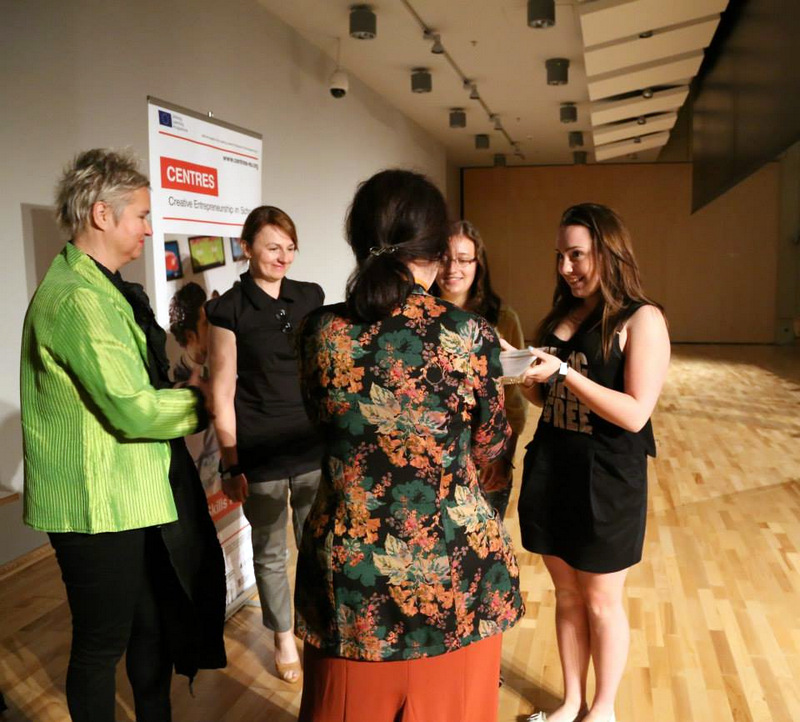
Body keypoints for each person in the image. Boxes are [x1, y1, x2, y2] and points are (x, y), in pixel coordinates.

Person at [294, 169, 525, 722]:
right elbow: (492, 444)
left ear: (357, 240)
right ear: (438, 250)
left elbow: (323, 423)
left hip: (351, 581)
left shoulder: (319, 332)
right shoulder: (467, 335)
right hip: (454, 577)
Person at [20, 148, 226, 722]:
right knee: (100, 645)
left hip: (129, 496)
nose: (148, 229)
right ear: (102, 214)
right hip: (94, 506)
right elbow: (133, 409)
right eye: (141, 215)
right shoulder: (77, 298)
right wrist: (204, 404)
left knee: (151, 629)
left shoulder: (103, 287)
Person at [511, 203, 670, 722]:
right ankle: (571, 701)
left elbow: (635, 413)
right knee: (567, 595)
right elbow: (550, 401)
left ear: (608, 251)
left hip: (608, 475)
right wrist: (529, 378)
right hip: (553, 465)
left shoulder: (642, 319)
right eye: (560, 256)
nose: (565, 267)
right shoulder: (565, 314)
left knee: (601, 599)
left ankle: (603, 709)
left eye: (577, 255)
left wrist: (564, 373)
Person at [206, 205, 324, 684]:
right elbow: (222, 392)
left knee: (316, 545)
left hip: (312, 445)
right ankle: (282, 636)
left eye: (290, 248)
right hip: (260, 451)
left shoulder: (311, 296)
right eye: (273, 247)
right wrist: (231, 464)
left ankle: (314, 628)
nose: (283, 257)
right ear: (247, 247)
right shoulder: (228, 309)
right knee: (271, 552)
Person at [433, 220, 527, 518]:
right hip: (431, 457)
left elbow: (513, 398)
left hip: (485, 457)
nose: (452, 268)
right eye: (444, 258)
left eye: (463, 260)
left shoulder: (503, 319)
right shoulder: (416, 316)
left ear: (478, 264)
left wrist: (504, 456)